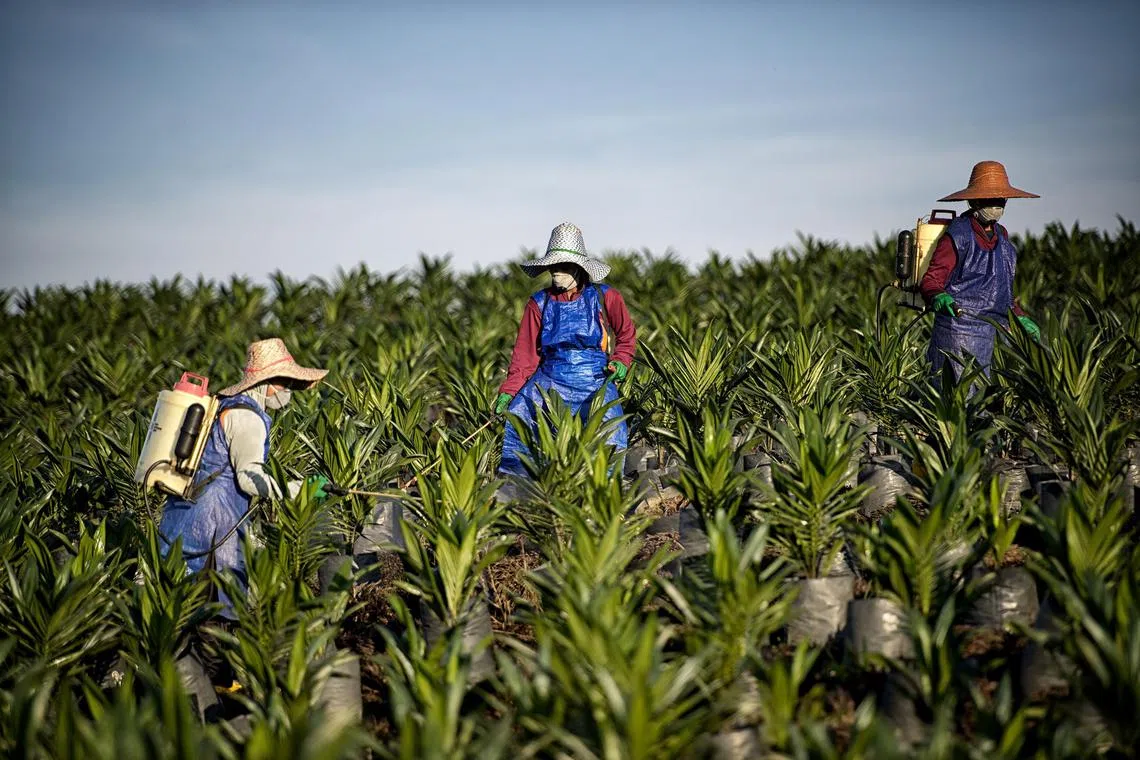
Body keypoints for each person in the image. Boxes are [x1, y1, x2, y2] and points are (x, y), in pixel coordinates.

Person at [159, 337, 331, 607]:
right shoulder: (248, 419)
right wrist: (301, 489)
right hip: (215, 519)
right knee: (216, 607)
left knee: (172, 600)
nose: (288, 391)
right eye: (285, 383)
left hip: (183, 510)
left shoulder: (225, 405)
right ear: (267, 382)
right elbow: (249, 479)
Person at [495, 222, 637, 477]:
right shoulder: (539, 303)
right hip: (550, 378)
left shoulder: (606, 297)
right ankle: (522, 492)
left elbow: (626, 334)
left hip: (594, 380)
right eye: (553, 267)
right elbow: (525, 354)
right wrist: (509, 391)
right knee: (521, 414)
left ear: (578, 268)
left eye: (562, 267)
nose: (556, 273)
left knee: (611, 429)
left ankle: (607, 494)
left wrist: (621, 362)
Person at [919, 161, 1042, 385]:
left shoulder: (1002, 237)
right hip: (957, 334)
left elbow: (1002, 291)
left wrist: (1021, 317)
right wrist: (939, 296)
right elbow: (932, 279)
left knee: (984, 404)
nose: (996, 206)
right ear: (975, 201)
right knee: (954, 399)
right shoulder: (958, 235)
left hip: (993, 333)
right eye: (991, 201)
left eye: (1000, 201)